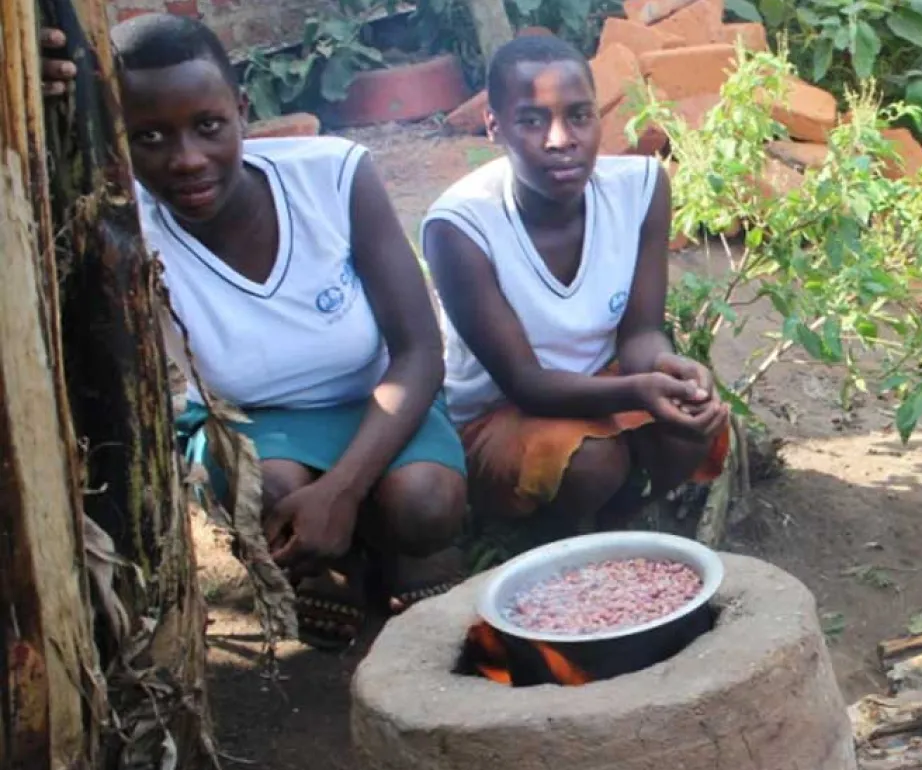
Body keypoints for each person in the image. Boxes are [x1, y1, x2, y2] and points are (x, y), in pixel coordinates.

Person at [111, 14, 469, 650]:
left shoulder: (332, 177)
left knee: (426, 504)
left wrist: (342, 489)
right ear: (118, 140)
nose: (186, 158)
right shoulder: (126, 233)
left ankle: (386, 546)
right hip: (252, 420)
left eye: (208, 126)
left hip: (375, 402)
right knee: (269, 487)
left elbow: (418, 351)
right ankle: (332, 566)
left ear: (242, 110)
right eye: (150, 137)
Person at [423, 35, 729, 534]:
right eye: (532, 120)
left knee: (691, 422)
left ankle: (625, 523)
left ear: (598, 120)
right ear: (494, 126)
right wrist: (639, 391)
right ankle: (549, 536)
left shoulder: (640, 189)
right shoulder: (460, 227)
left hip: (605, 384)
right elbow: (525, 382)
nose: (560, 138)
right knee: (590, 461)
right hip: (502, 413)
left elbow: (639, 334)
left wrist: (668, 369)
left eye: (579, 116)